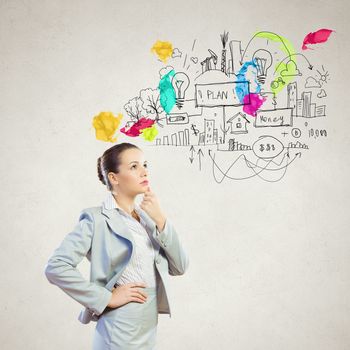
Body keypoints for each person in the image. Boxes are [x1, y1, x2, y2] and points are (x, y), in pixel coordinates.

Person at [44, 142, 189, 349]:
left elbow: (180, 266)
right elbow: (56, 266)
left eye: (145, 164)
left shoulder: (148, 219)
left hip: (148, 324)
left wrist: (162, 220)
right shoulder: (96, 219)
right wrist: (106, 297)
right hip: (120, 326)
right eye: (134, 166)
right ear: (113, 178)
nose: (144, 171)